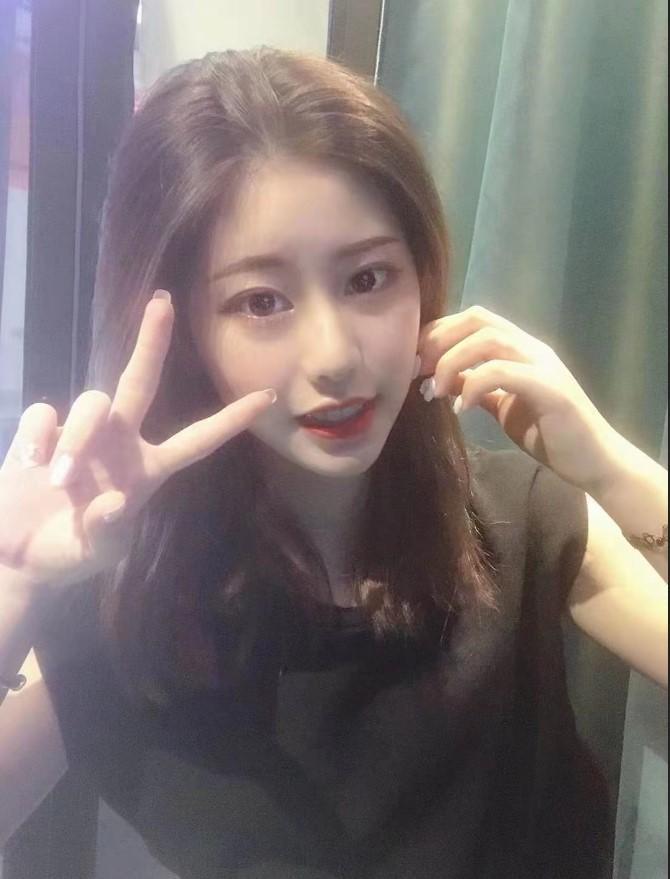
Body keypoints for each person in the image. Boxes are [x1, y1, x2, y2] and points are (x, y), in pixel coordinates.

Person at [0, 46, 667, 879]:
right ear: (184, 333)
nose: (336, 356)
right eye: (262, 301)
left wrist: (614, 469)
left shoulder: (513, 519)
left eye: (368, 278)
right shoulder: (132, 611)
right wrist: (13, 586)